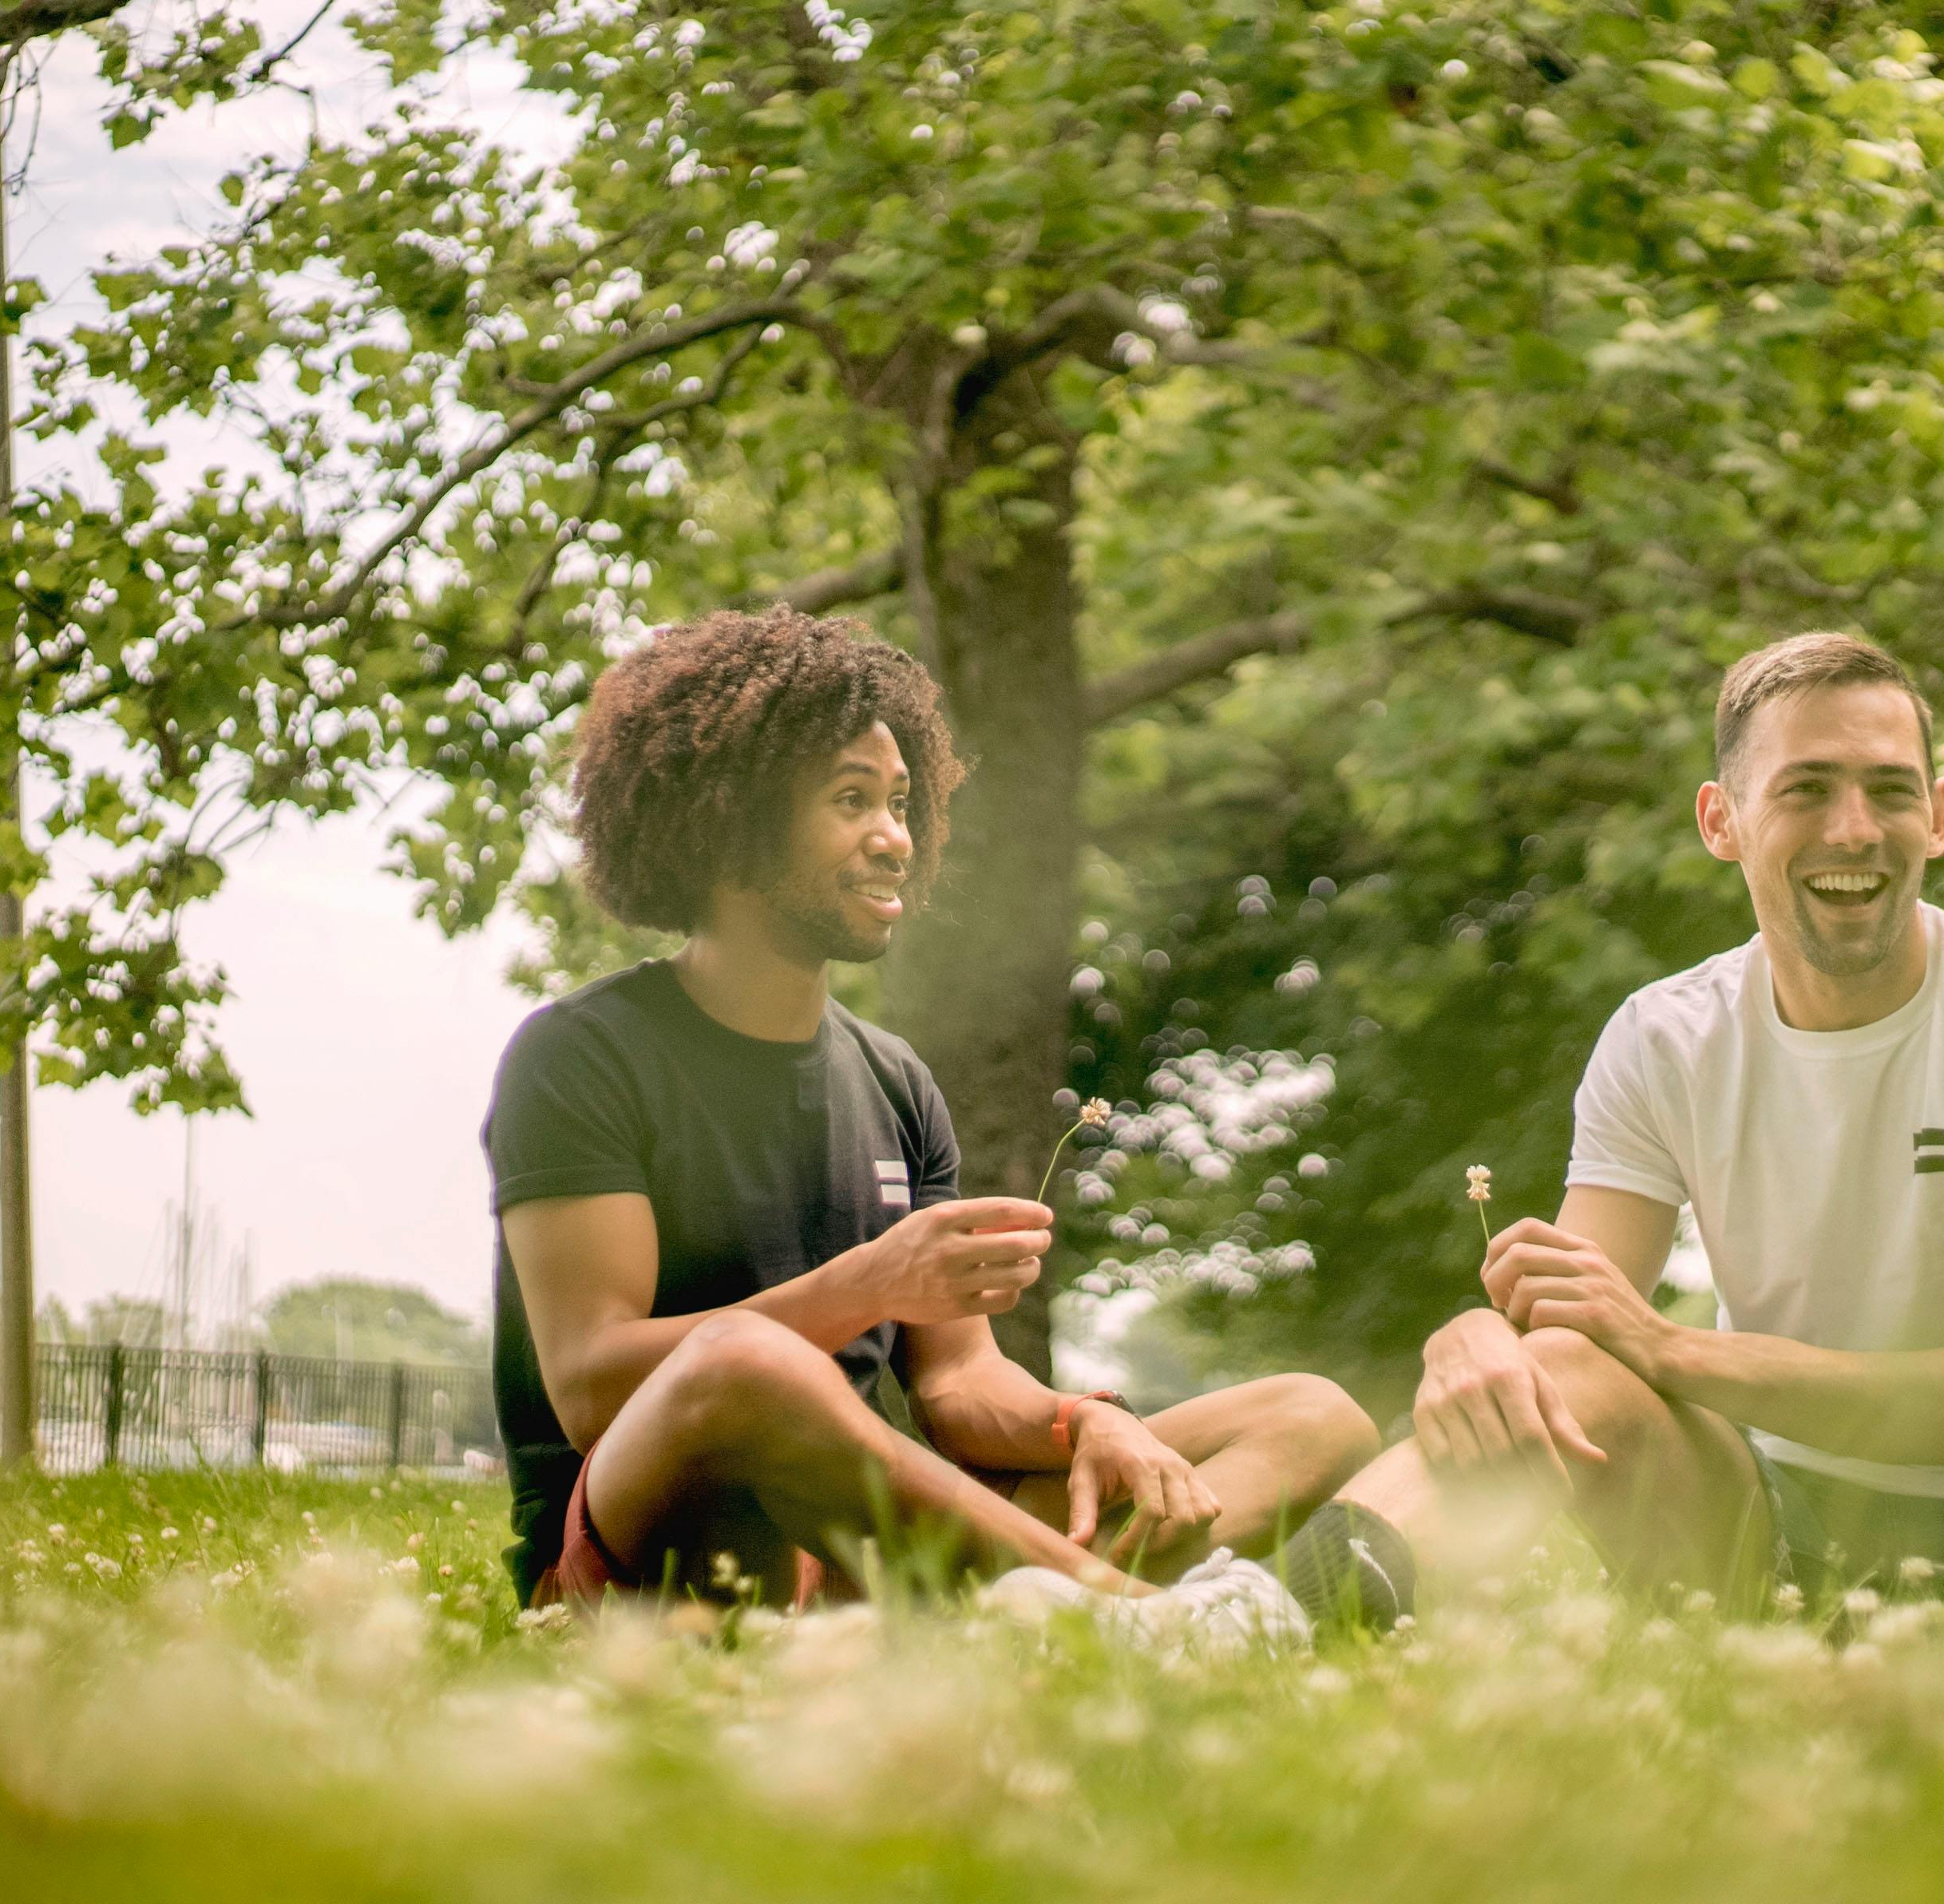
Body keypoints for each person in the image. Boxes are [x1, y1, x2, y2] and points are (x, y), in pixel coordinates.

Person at [1237, 632, 1944, 1631]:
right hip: (1762, 1526)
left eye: (1889, 791)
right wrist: (1472, 1343)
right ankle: (1258, 1623)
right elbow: (1573, 1330)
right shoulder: (1664, 1035)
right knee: (1547, 1372)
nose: (1853, 830)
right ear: (1723, 820)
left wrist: (1672, 1348)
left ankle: (1940, 1653)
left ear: (1940, 816)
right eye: (1806, 788)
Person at [485, 608, 1372, 1634]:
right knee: (744, 1364)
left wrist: (1081, 1421)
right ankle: (1133, 1623)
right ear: (730, 820)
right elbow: (591, 1389)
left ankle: (1054, 1621)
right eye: (851, 801)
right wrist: (868, 1282)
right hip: (653, 1557)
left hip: (851, 1548)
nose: (894, 839)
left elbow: (956, 1383)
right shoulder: (580, 1055)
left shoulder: (895, 1080)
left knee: (1310, 1414)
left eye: (902, 803)